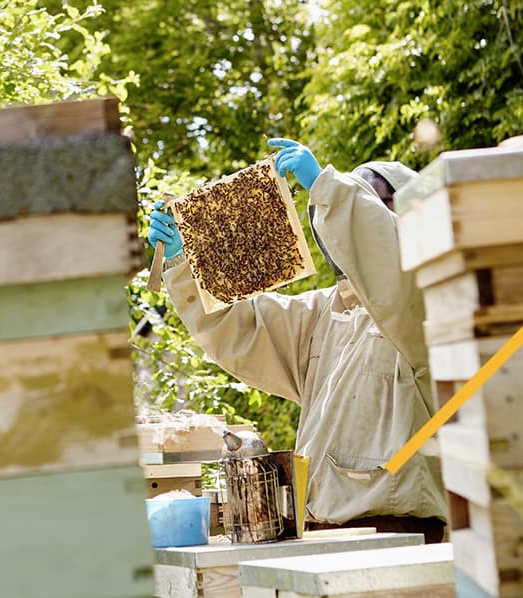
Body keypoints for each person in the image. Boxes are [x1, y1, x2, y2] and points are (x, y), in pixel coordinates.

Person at [147, 137, 447, 543]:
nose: (349, 213)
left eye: (371, 202)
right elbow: (242, 329)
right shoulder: (326, 312)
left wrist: (328, 187)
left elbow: (392, 271)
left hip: (401, 533)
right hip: (321, 531)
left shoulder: (430, 307)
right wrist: (186, 263)